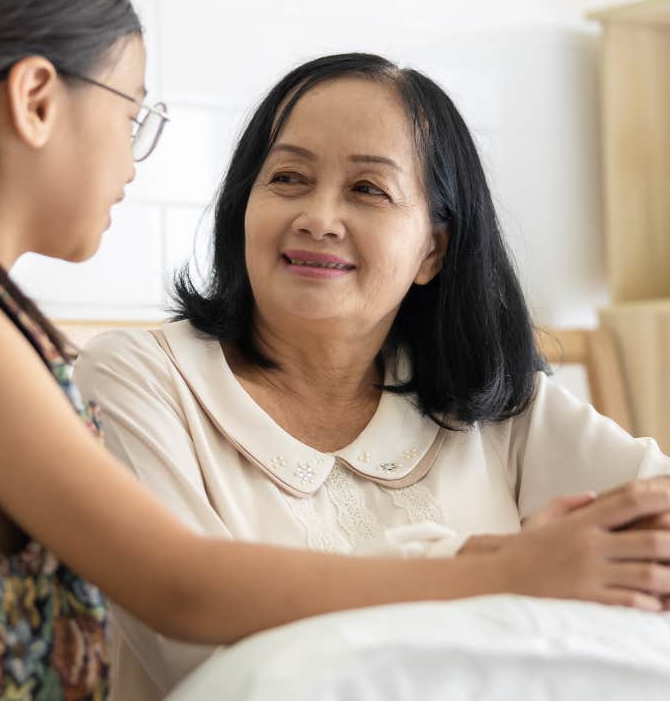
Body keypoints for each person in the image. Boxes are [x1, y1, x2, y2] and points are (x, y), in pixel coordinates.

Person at [74, 52, 670, 700]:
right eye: (288, 178)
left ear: (432, 251)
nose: (318, 217)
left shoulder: (490, 399)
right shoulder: (136, 379)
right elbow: (199, 656)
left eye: (367, 190)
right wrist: (500, 567)